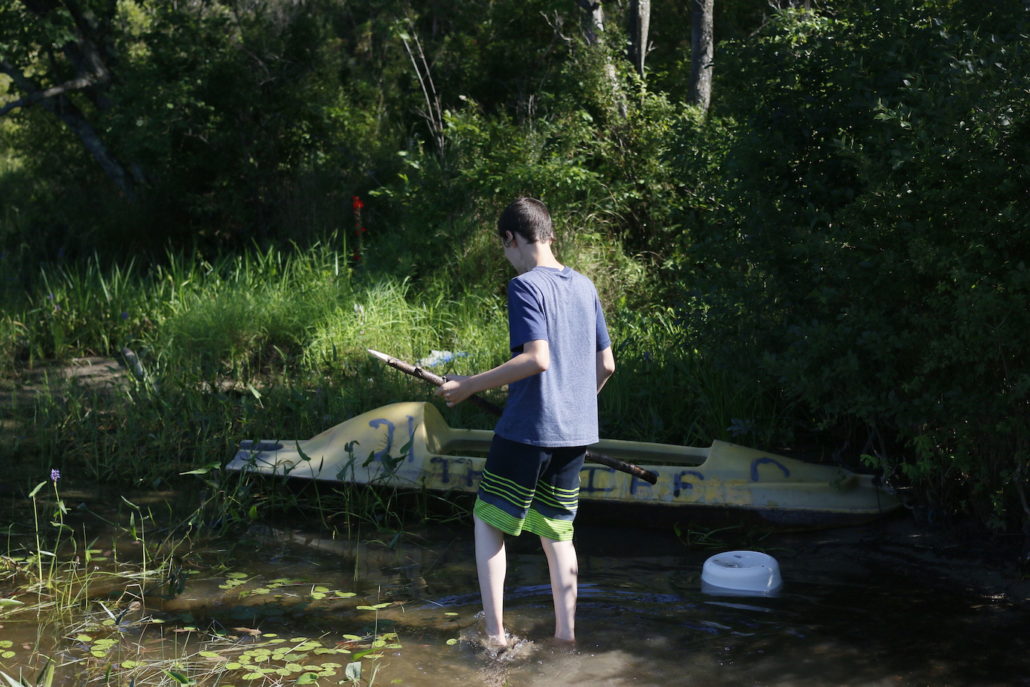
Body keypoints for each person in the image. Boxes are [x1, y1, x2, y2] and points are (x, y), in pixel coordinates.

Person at [435, 197, 615, 647]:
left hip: (528, 432)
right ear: (549, 233)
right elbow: (607, 365)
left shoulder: (525, 286)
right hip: (574, 435)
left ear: (510, 238)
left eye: (505, 248)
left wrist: (469, 385)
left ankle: (495, 637)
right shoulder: (585, 286)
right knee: (557, 534)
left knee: (487, 520)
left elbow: (537, 359)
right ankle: (565, 638)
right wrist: (572, 407)